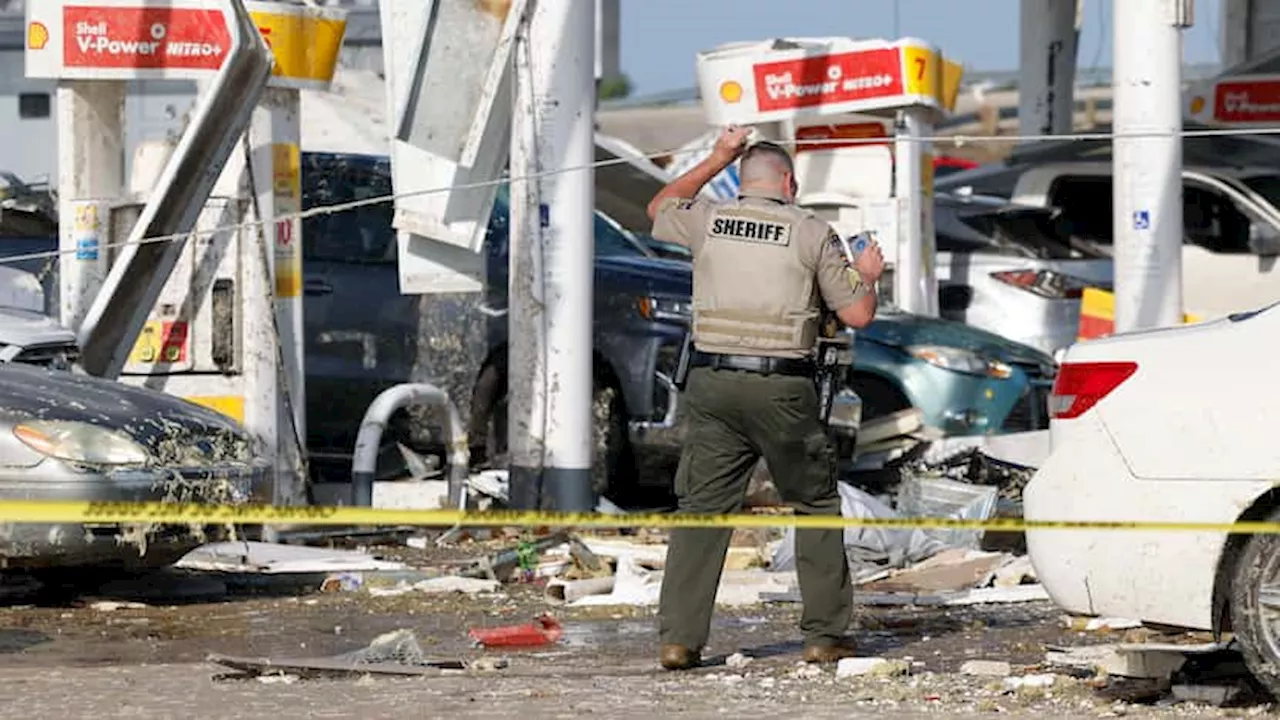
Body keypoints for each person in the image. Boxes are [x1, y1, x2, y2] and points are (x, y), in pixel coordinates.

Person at [645, 126, 886, 671]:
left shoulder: (708, 219)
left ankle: (679, 641)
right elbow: (857, 315)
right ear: (789, 182)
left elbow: (659, 206)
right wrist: (868, 276)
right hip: (783, 388)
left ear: (743, 181)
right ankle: (824, 635)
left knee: (701, 511)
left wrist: (716, 156)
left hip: (710, 384)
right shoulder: (810, 231)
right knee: (815, 505)